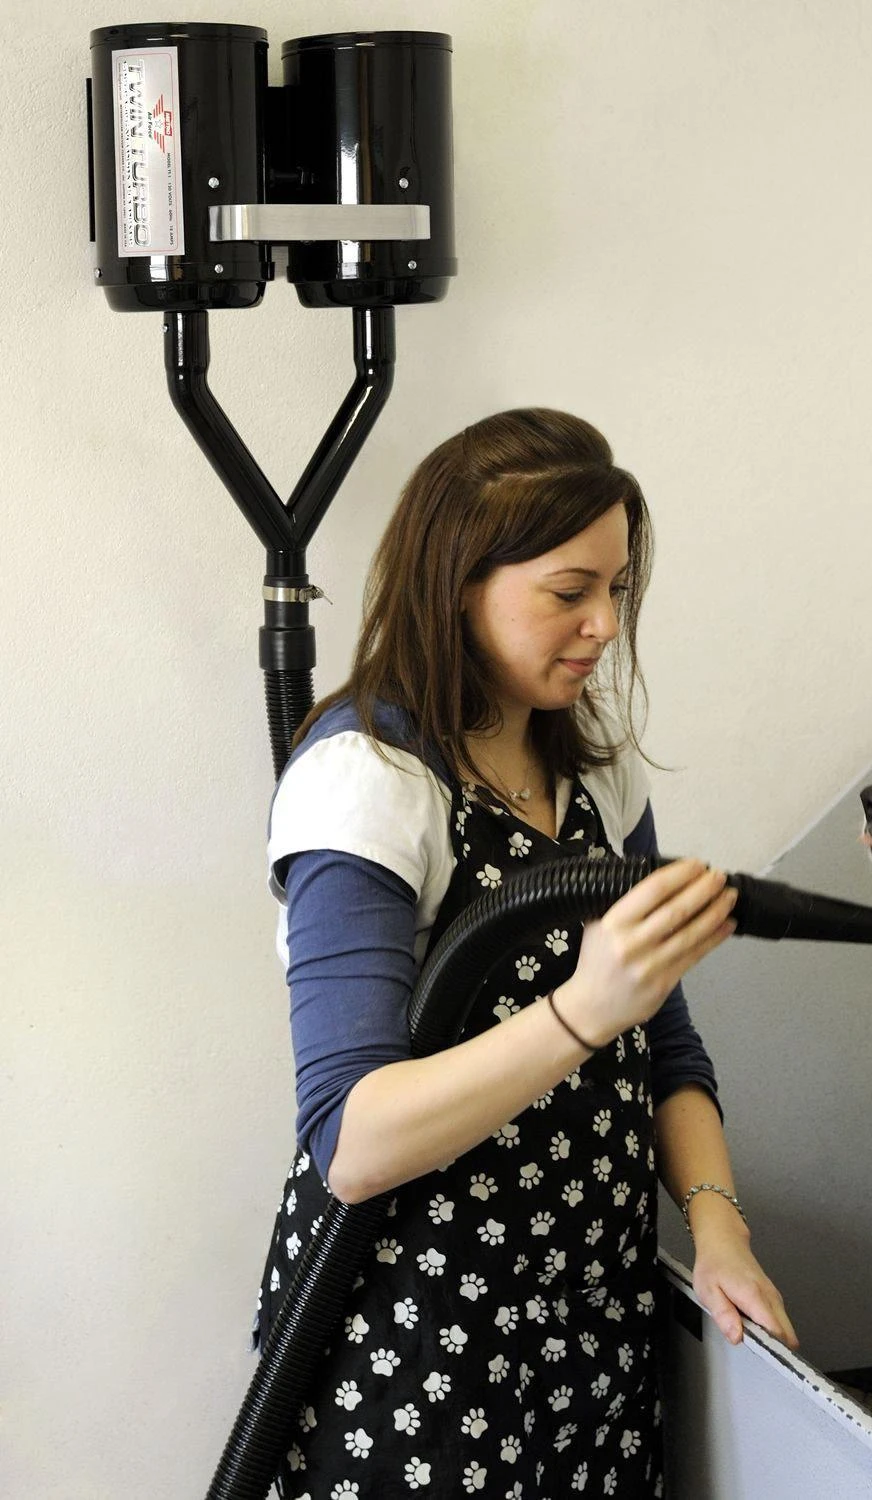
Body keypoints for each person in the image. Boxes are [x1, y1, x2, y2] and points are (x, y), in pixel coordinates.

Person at [256, 408, 797, 1498]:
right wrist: (581, 1013)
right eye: (569, 592)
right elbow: (353, 1139)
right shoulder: (367, 781)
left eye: (617, 590)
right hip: (415, 1332)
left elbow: (665, 1050)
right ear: (459, 584)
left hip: (590, 1320)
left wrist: (716, 1225)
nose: (604, 626)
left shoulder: (597, 776)